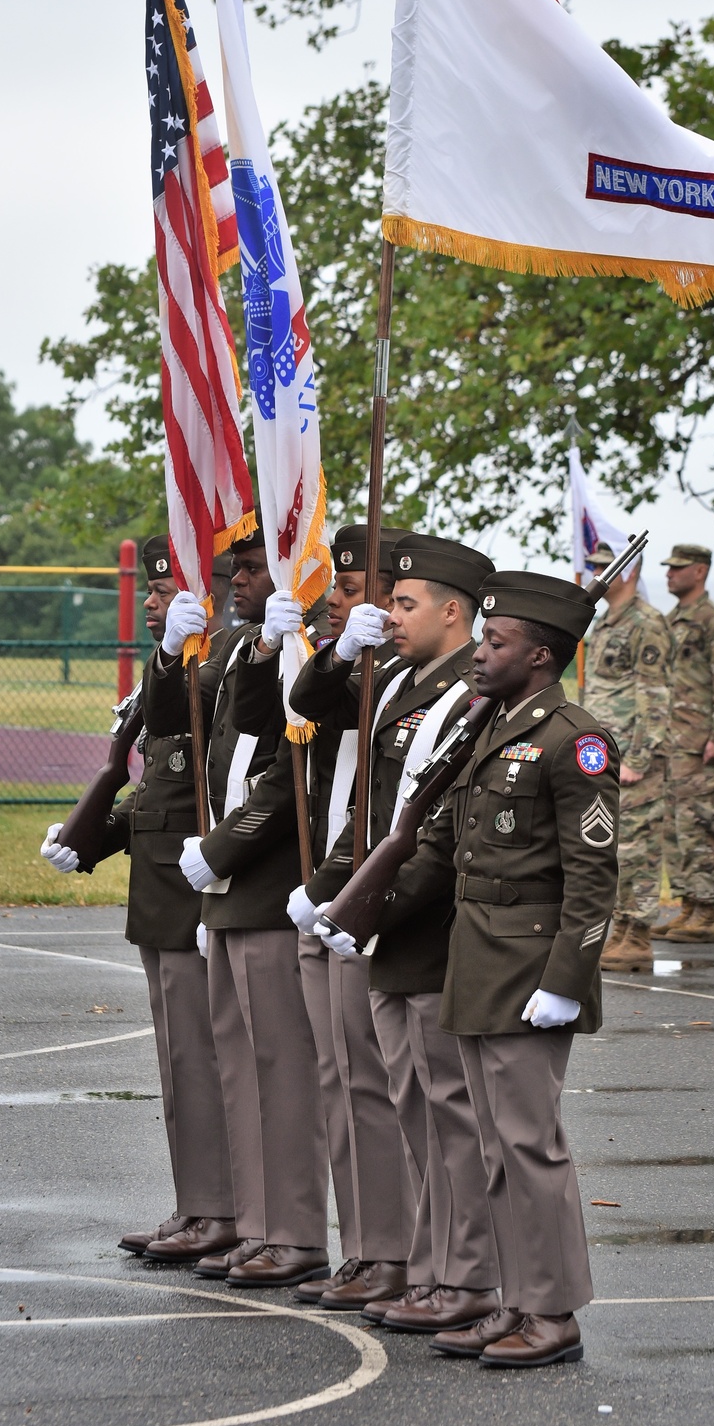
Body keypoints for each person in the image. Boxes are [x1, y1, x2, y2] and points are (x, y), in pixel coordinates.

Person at [336, 570, 619, 1366]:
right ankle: (514, 1299)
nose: (483, 654)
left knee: (531, 1146)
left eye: (497, 644)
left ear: (540, 656)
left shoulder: (573, 738)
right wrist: (361, 915)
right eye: (484, 639)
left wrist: (567, 981)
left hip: (530, 969)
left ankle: (554, 1314)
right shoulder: (490, 725)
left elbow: (594, 875)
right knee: (492, 1148)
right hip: (475, 959)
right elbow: (442, 846)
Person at [301, 533, 502, 1336]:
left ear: (453, 612)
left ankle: (468, 1275)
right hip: (384, 917)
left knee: (450, 1114)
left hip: (427, 923)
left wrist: (368, 907)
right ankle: (430, 1268)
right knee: (416, 1108)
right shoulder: (399, 683)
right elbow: (317, 724)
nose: (389, 614)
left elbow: (436, 832)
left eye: (405, 603)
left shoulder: (465, 695)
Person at [144, 516, 330, 1289]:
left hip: (267, 881)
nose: (240, 580)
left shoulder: (312, 652)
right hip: (226, 890)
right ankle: (254, 1225)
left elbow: (292, 771)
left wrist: (222, 850)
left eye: (255, 567)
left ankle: (290, 1229)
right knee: (241, 1072)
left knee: (281, 1073)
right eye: (237, 569)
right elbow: (167, 727)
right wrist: (168, 653)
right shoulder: (237, 647)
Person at [40, 535, 236, 1264]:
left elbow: (216, 785)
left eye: (164, 592)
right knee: (180, 1065)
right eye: (153, 594)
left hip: (199, 893)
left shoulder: (217, 673)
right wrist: (92, 837)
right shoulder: (175, 670)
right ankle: (197, 1204)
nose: (152, 604)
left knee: (205, 1061)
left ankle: (223, 1209)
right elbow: (158, 788)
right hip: (159, 894)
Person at [245, 525, 419, 1313]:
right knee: (340, 1078)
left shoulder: (415, 677)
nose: (340, 605)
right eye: (340, 594)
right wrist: (341, 648)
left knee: (375, 1084)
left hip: (372, 891)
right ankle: (366, 1248)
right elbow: (299, 703)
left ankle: (394, 1249)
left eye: (357, 594)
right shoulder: (354, 664)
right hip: (329, 886)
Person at [581, 542, 671, 972]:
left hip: (634, 758)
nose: (594, 575)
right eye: (594, 567)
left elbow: (655, 696)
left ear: (628, 573)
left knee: (638, 847)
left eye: (604, 569)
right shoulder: (606, 622)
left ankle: (638, 934)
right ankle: (620, 929)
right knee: (612, 845)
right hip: (605, 752)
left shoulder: (646, 623)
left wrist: (639, 756)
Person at [655, 544, 714, 943]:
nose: (669, 574)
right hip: (671, 742)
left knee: (700, 827)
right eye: (668, 568)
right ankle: (688, 905)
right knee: (675, 829)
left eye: (678, 568)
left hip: (699, 743)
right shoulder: (672, 620)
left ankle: (706, 912)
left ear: (701, 571)